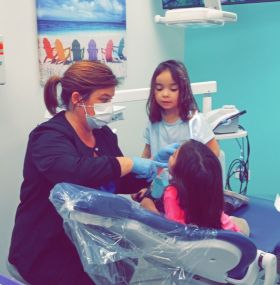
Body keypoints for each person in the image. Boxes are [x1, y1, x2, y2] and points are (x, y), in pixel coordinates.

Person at [8, 60, 165, 285]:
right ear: (77, 99)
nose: (108, 107)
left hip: (87, 241)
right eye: (103, 100)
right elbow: (75, 173)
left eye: (110, 99)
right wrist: (129, 163)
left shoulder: (102, 135)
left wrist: (150, 173)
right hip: (46, 249)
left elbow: (116, 179)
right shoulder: (47, 137)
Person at [141, 139, 250, 235]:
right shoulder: (208, 191)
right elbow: (229, 227)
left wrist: (150, 207)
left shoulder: (171, 192)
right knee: (241, 226)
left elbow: (174, 230)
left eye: (174, 156)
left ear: (179, 170)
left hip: (184, 238)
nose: (170, 156)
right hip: (211, 232)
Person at [142, 59, 220, 159]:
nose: (165, 94)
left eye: (173, 89)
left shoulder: (195, 121)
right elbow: (147, 152)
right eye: (159, 88)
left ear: (183, 90)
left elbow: (214, 151)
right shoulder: (153, 122)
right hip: (157, 174)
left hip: (187, 174)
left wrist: (196, 170)